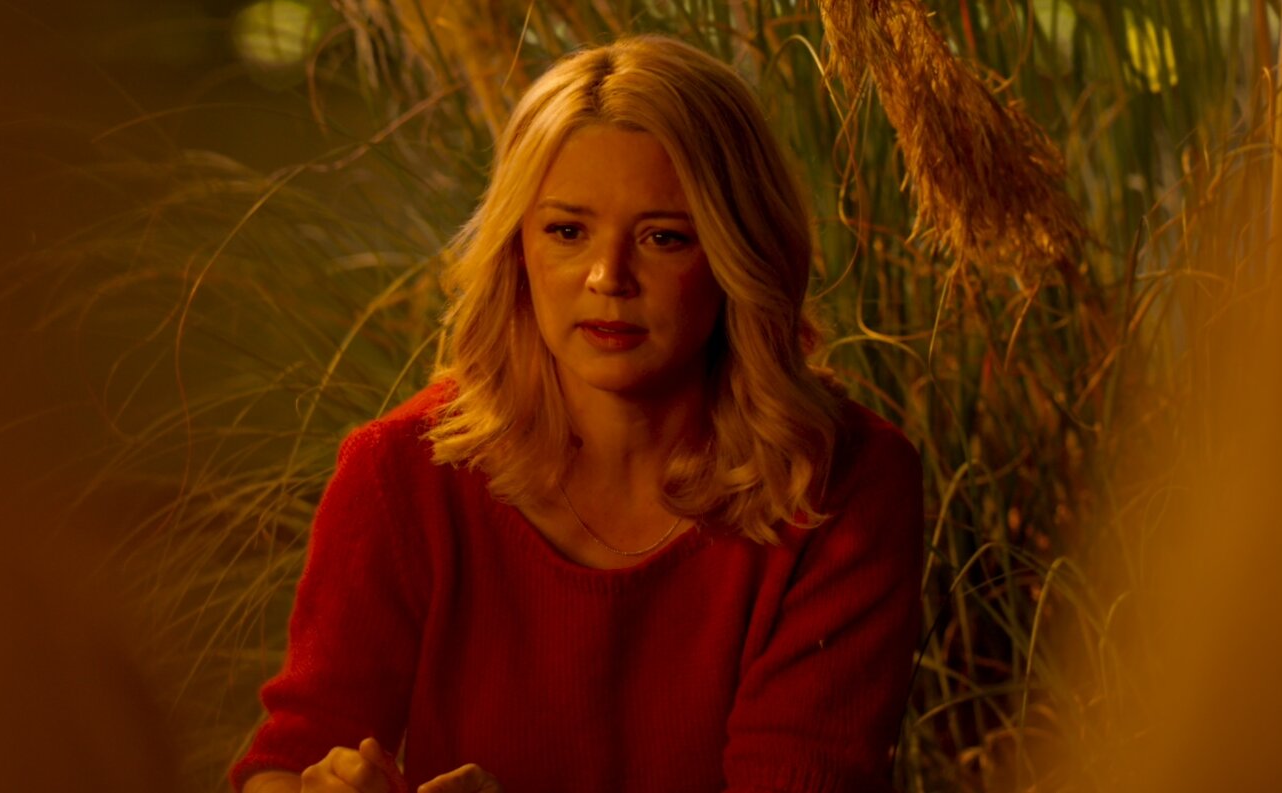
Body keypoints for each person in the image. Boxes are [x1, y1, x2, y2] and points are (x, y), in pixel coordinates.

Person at [231, 34, 924, 793]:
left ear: (740, 253)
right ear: (517, 248)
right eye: (567, 231)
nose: (607, 277)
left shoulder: (841, 484)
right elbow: (290, 754)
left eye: (664, 238)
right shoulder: (401, 473)